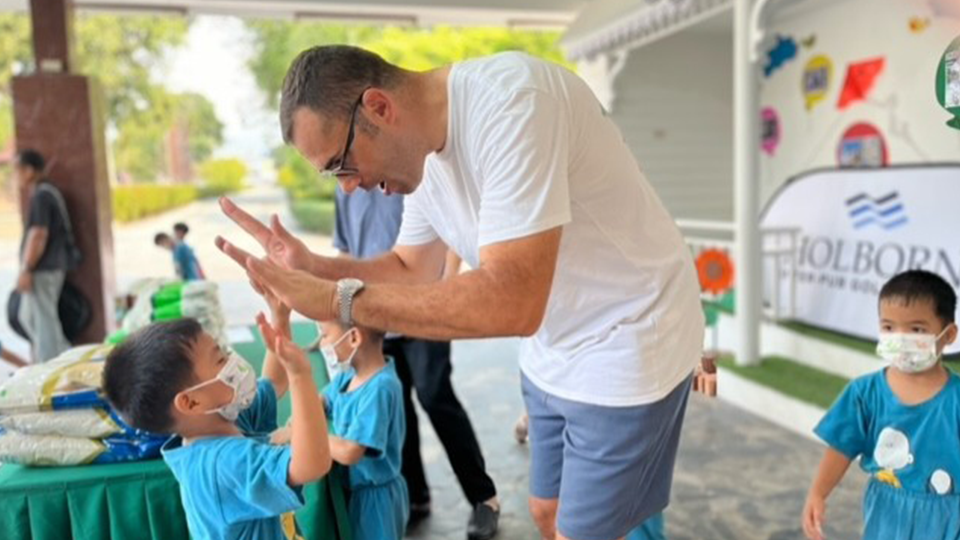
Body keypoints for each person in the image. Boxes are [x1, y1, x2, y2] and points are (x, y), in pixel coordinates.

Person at [217, 45, 704, 540]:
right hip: (555, 341)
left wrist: (336, 299)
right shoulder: (421, 157)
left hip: (629, 332)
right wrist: (315, 269)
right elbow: (411, 269)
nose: (347, 187)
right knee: (547, 510)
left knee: (588, 531)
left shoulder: (513, 104)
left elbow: (511, 302)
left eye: (341, 164)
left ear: (379, 108)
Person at [333, 185, 500, 538]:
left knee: (435, 397)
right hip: (374, 318)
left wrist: (446, 287)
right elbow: (346, 249)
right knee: (395, 406)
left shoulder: (408, 176)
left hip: (425, 310)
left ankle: (484, 498)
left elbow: (451, 234)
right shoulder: (344, 186)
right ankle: (416, 496)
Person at [102, 301, 332, 540]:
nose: (232, 361)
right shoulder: (222, 464)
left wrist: (280, 317)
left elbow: (274, 384)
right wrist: (300, 375)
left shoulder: (221, 421)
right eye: (220, 360)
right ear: (191, 402)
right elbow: (311, 465)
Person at [802, 270, 960, 540]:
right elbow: (841, 447)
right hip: (886, 515)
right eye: (889, 327)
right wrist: (817, 493)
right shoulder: (864, 393)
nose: (900, 338)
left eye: (917, 329)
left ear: (948, 335)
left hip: (950, 518)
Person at [14, 149, 73, 362]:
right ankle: (66, 358)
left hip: (43, 269)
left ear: (29, 170)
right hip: (47, 267)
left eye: (17, 170)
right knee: (28, 317)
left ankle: (53, 366)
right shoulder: (44, 193)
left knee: (44, 324)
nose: (15, 175)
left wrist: (27, 269)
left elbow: (39, 234)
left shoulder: (42, 195)